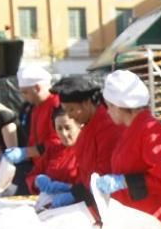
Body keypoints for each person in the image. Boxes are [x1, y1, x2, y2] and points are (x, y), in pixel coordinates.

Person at [93, 70, 161, 222]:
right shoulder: (130, 129)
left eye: (109, 106)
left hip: (149, 219)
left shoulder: (150, 130)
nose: (108, 112)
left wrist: (123, 181)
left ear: (118, 106)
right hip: (131, 214)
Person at [36, 75, 122, 213]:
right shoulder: (87, 126)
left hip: (106, 206)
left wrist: (76, 195)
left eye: (71, 109)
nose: (69, 116)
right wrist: (73, 190)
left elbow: (103, 175)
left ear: (87, 103)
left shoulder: (107, 127)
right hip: (90, 202)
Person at [3, 65, 63, 193]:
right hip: (40, 167)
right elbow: (33, 138)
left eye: (25, 92)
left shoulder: (56, 105)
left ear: (37, 88)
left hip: (57, 167)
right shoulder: (35, 108)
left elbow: (59, 141)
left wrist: (27, 152)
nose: (24, 97)